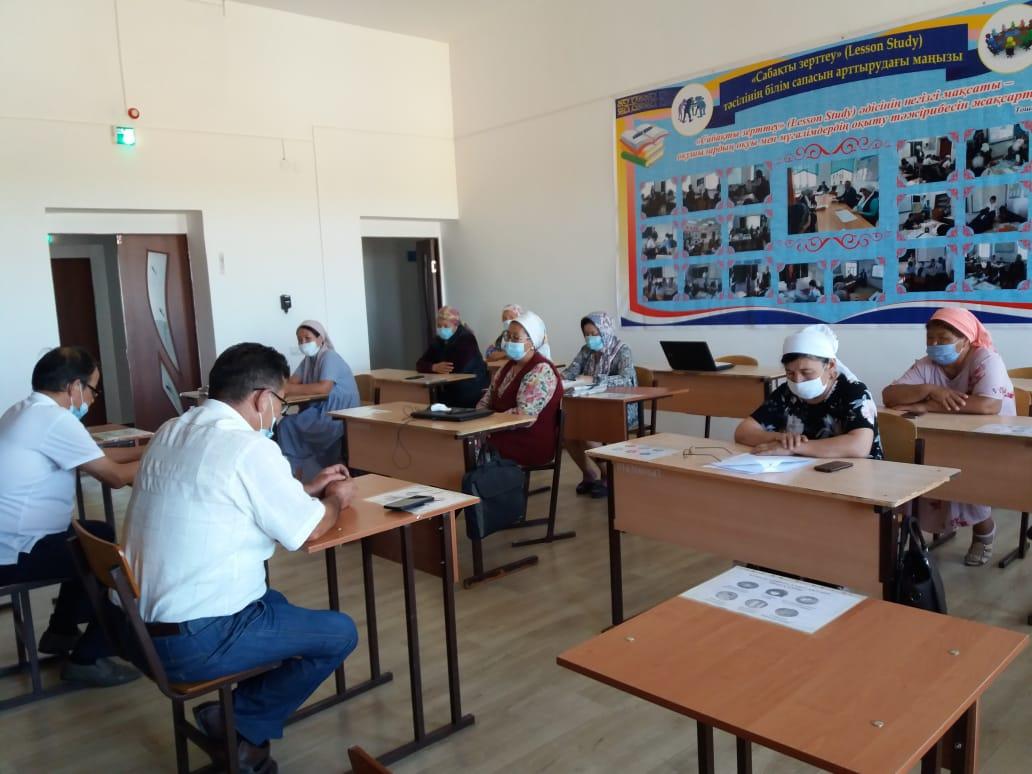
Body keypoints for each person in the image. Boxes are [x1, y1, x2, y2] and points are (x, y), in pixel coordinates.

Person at [121, 343, 360, 773]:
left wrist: (303, 491)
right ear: (263, 399)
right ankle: (241, 723)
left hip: (139, 627)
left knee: (277, 603)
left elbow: (223, 492)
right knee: (339, 632)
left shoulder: (170, 430)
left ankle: (238, 720)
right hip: (194, 641)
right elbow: (308, 530)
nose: (280, 414)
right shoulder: (249, 448)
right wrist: (337, 498)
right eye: (282, 403)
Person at [0, 346, 142, 686]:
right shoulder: (55, 419)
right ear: (74, 386)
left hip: (14, 541)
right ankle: (86, 658)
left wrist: (149, 448)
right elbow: (114, 477)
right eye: (93, 390)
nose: (91, 399)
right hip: (16, 552)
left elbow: (94, 455)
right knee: (113, 562)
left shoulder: (23, 410)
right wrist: (162, 457)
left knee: (97, 533)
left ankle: (61, 631)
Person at [882, 308, 1014, 566]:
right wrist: (930, 389)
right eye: (930, 339)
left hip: (989, 438)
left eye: (943, 339)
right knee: (923, 468)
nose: (934, 345)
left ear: (965, 340)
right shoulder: (927, 365)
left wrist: (926, 405)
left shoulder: (985, 359)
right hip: (943, 435)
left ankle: (984, 531)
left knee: (970, 480)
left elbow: (988, 405)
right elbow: (890, 395)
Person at [734, 325, 882, 459]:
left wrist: (794, 448)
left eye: (806, 372)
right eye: (790, 373)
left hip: (855, 473)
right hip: (803, 471)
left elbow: (859, 446)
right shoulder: (786, 393)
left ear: (830, 366)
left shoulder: (854, 391)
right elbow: (743, 432)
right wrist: (780, 438)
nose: (798, 380)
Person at [562, 312, 637, 497]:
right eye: (586, 334)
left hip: (620, 407)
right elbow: (571, 372)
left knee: (585, 430)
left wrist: (594, 379)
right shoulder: (586, 350)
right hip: (591, 405)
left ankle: (608, 475)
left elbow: (626, 379)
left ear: (605, 331)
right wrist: (558, 379)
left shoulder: (622, 350)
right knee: (566, 431)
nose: (590, 338)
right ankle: (589, 473)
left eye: (594, 333)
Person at [276, 320, 359, 481]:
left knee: (286, 425)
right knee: (288, 422)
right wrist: (284, 386)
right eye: (300, 340)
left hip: (337, 414)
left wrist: (287, 389)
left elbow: (324, 388)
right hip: (320, 409)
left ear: (320, 338)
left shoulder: (329, 357)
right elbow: (292, 382)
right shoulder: (308, 361)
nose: (303, 343)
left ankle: (296, 473)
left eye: (307, 338)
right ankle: (301, 471)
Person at [477, 311, 563, 466]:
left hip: (526, 441)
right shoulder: (508, 367)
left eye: (515, 338)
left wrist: (489, 423)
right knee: (459, 446)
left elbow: (524, 415)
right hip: (499, 432)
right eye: (508, 336)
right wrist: (477, 420)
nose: (509, 342)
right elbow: (487, 398)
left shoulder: (541, 371)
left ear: (532, 342)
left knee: (466, 451)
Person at [416, 306, 489, 408]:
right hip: (448, 390)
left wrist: (436, 366)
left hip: (470, 390)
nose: (442, 329)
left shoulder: (467, 339)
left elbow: (453, 368)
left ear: (456, 325)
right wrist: (433, 367)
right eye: (439, 326)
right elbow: (420, 364)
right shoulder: (438, 340)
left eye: (446, 326)